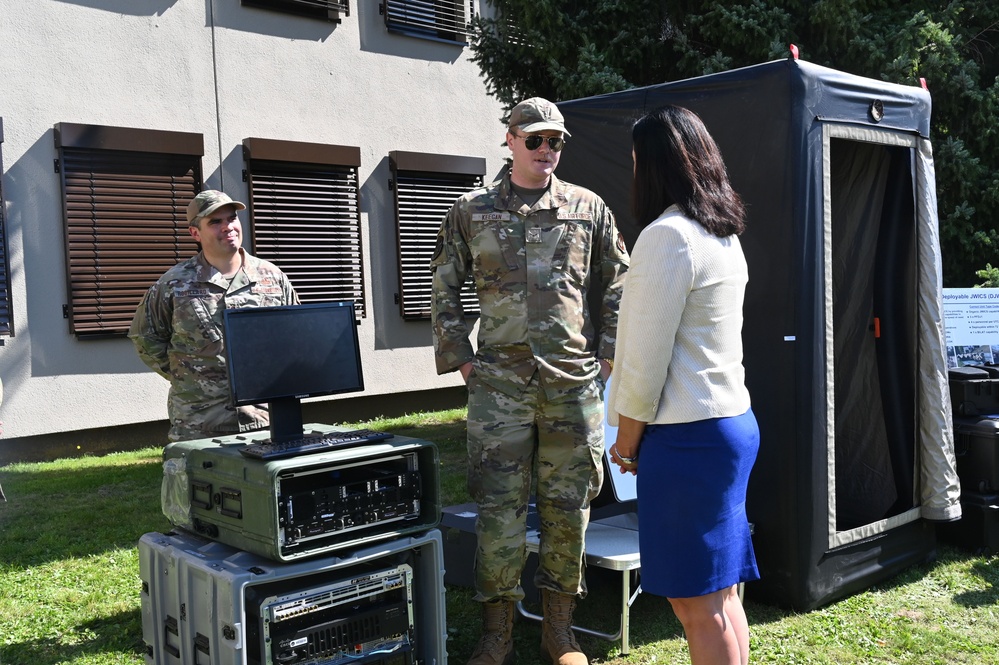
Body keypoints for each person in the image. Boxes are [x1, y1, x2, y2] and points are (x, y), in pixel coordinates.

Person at [430, 97, 630, 665]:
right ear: (511, 141)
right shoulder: (471, 211)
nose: (548, 150)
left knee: (569, 510)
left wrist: (609, 355)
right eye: (537, 139)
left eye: (557, 141)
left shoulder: (587, 208)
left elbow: (620, 282)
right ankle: (497, 635)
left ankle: (559, 632)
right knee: (499, 512)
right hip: (500, 389)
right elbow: (444, 285)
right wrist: (461, 359)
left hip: (572, 384)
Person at [607, 105, 760, 665]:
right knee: (718, 595)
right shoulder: (721, 234)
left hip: (689, 436)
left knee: (696, 604)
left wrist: (625, 444)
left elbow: (646, 364)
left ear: (654, 166)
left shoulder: (666, 236)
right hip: (727, 427)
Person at [129, 189, 299, 442]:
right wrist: (189, 376)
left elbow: (296, 337)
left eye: (231, 218)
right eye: (215, 222)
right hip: (198, 422)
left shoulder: (272, 278)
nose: (228, 227)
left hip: (265, 419)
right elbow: (146, 338)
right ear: (195, 233)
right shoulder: (174, 284)